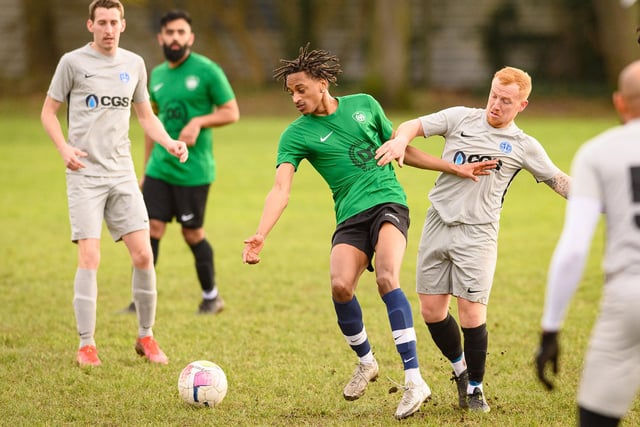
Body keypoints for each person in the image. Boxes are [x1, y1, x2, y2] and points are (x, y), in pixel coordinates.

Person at [241, 44, 497, 419]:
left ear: (322, 84)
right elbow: (281, 189)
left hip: (389, 203)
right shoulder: (295, 136)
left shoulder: (365, 104)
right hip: (350, 217)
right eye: (290, 93)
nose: (295, 98)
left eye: (301, 89)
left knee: (388, 277)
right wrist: (262, 233)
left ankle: (414, 381)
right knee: (341, 285)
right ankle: (366, 361)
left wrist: (453, 168)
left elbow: (400, 149)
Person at [376, 66, 571, 412]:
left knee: (470, 314)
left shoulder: (524, 145)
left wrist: (602, 201)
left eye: (506, 100)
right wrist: (401, 140)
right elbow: (412, 126)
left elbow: (558, 180)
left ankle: (477, 388)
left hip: (478, 233)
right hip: (438, 223)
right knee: (432, 312)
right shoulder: (461, 118)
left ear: (522, 105)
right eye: (494, 95)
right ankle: (461, 371)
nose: (496, 104)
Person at [40, 0, 189, 367]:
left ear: (123, 25)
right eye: (102, 22)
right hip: (85, 175)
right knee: (90, 257)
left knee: (143, 254)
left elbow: (145, 116)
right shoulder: (72, 63)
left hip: (121, 175)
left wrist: (169, 142)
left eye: (114, 22)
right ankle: (86, 345)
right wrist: (64, 148)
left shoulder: (134, 64)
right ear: (90, 25)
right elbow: (48, 112)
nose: (108, 29)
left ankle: (146, 337)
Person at [536, 60, 640, 426]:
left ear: (619, 102)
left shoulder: (599, 152)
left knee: (596, 417)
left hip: (629, 295)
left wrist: (551, 328)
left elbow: (575, 248)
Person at [121, 9, 239, 315]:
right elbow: (151, 124)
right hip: (160, 168)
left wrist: (200, 121)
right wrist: (145, 170)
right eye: (170, 32)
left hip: (194, 171)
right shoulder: (156, 74)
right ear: (160, 38)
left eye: (181, 32)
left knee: (192, 234)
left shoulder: (208, 71)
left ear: (191, 37)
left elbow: (231, 111)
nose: (175, 38)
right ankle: (140, 300)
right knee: (151, 230)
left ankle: (211, 296)